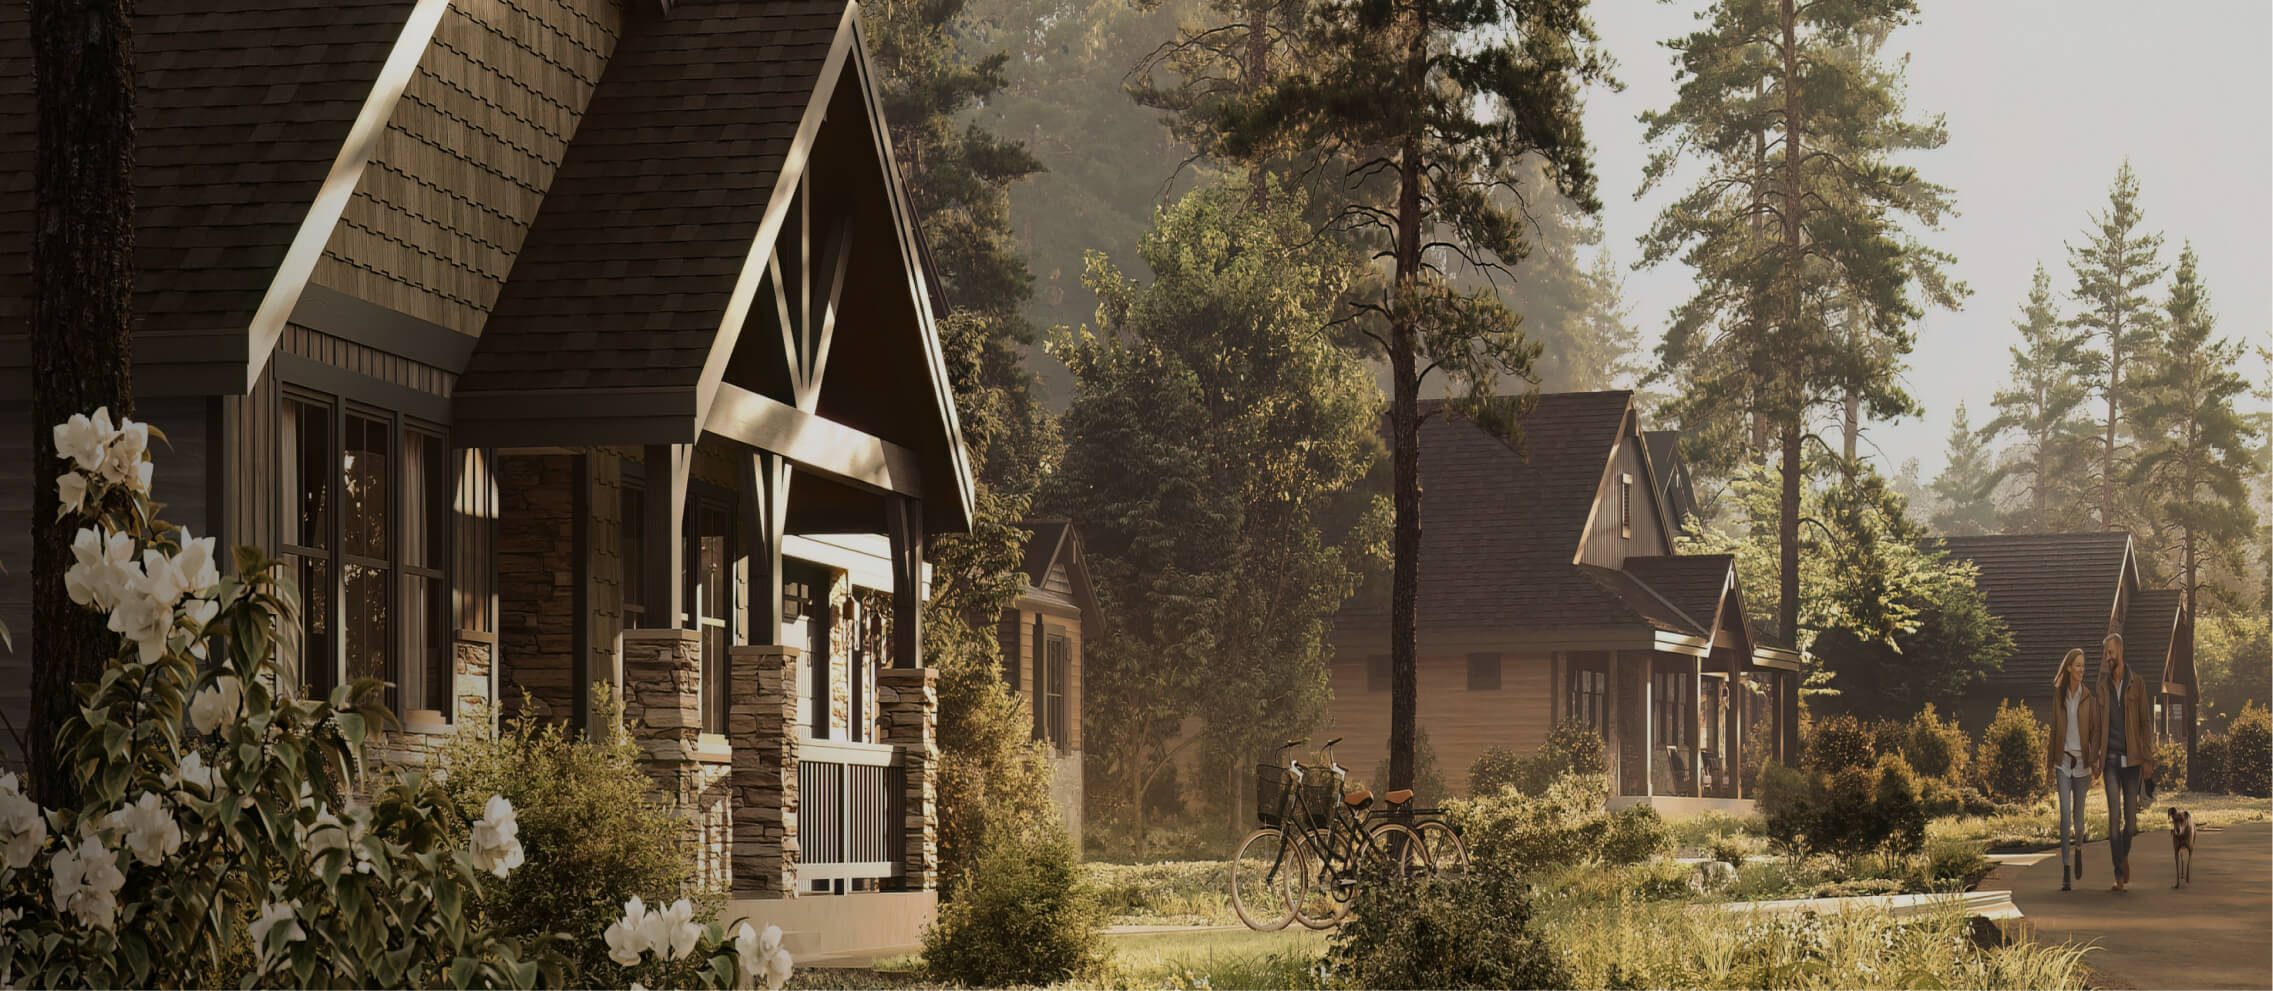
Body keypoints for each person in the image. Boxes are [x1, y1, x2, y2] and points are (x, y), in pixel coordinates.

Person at [2088, 632, 2155, 892]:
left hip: (2134, 762)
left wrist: (2148, 758)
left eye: (2110, 653)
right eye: (2105, 653)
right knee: (2113, 817)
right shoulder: (2101, 686)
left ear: (2120, 652)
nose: (2107, 658)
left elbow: (2145, 723)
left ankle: (2123, 855)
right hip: (2111, 762)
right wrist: (2095, 758)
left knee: (2131, 822)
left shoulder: (2137, 684)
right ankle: (2118, 873)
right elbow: (2096, 726)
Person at [2047, 648, 2098, 891]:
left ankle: (2078, 849)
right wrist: (2049, 766)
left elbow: (2095, 732)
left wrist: (2095, 759)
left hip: (2083, 765)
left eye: (2083, 665)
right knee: (2065, 815)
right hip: (2063, 761)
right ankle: (2066, 869)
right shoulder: (2059, 697)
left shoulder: (2089, 697)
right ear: (2068, 668)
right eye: (2077, 665)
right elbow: (2054, 731)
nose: (2081, 669)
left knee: (2078, 819)